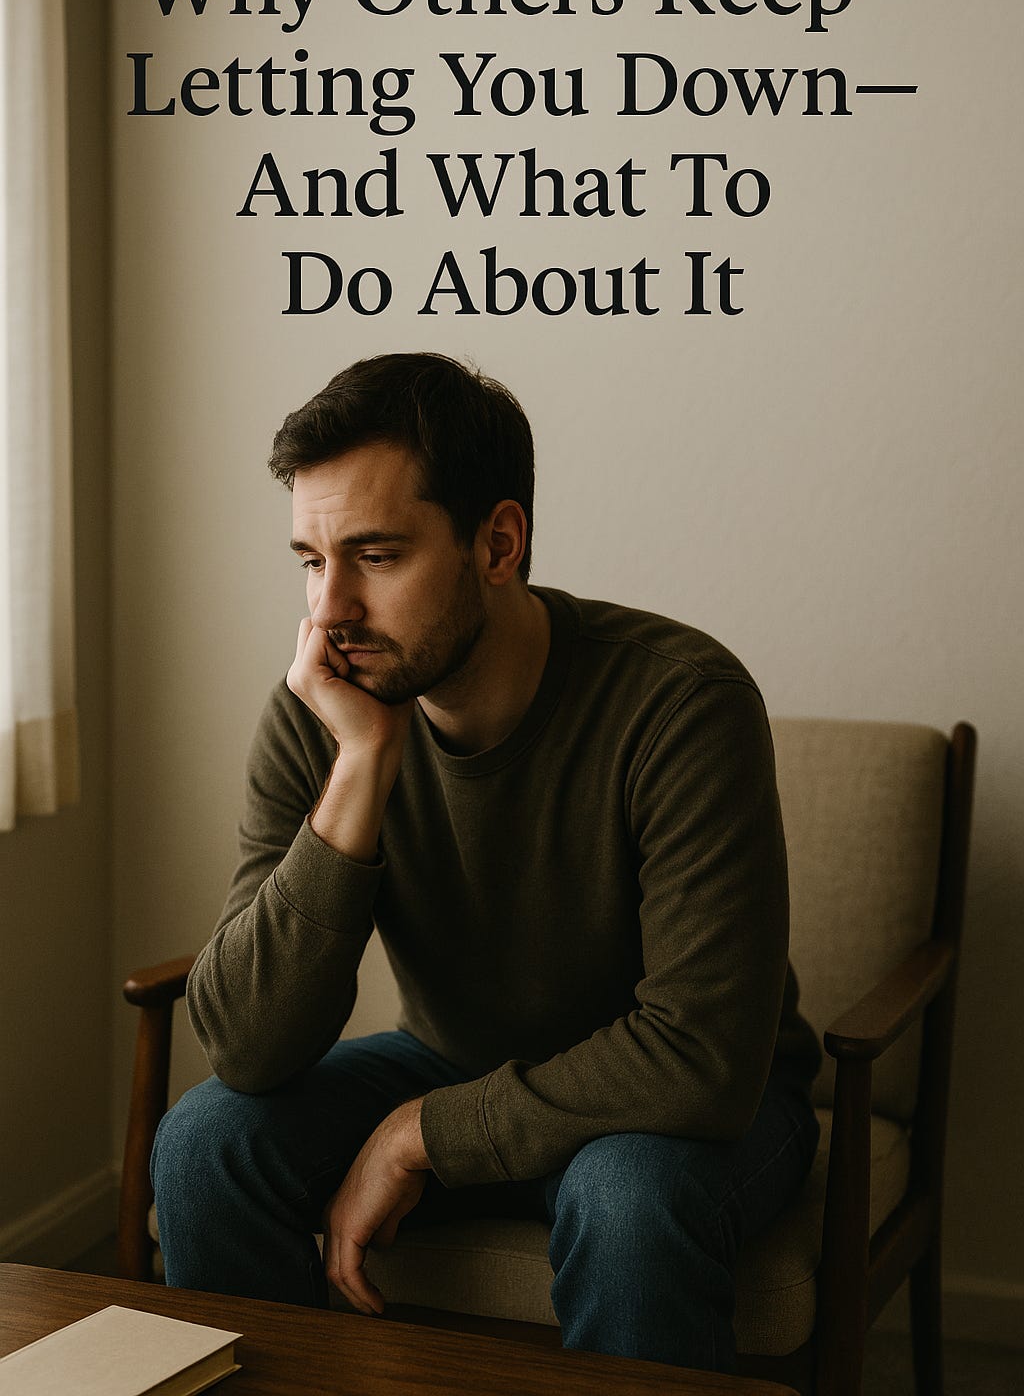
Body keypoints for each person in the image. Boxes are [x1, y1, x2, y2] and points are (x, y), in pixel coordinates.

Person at [152, 351, 821, 1373]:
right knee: (205, 1146)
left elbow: (700, 1055)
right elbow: (245, 1046)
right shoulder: (323, 714)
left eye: (374, 557)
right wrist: (363, 764)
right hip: (453, 1054)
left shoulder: (681, 701)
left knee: (628, 1198)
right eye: (308, 558)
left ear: (496, 542)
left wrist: (421, 1134)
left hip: (690, 1106)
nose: (328, 610)